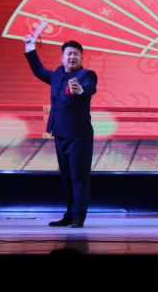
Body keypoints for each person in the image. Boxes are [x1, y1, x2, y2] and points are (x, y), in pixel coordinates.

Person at [24, 22, 97, 228]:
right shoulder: (57, 75)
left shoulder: (86, 75)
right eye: (69, 54)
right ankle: (69, 214)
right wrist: (30, 47)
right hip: (60, 134)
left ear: (81, 58)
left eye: (76, 54)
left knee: (78, 177)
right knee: (66, 177)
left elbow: (89, 88)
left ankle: (78, 217)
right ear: (62, 58)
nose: (72, 57)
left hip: (79, 136)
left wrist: (79, 89)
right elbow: (39, 70)